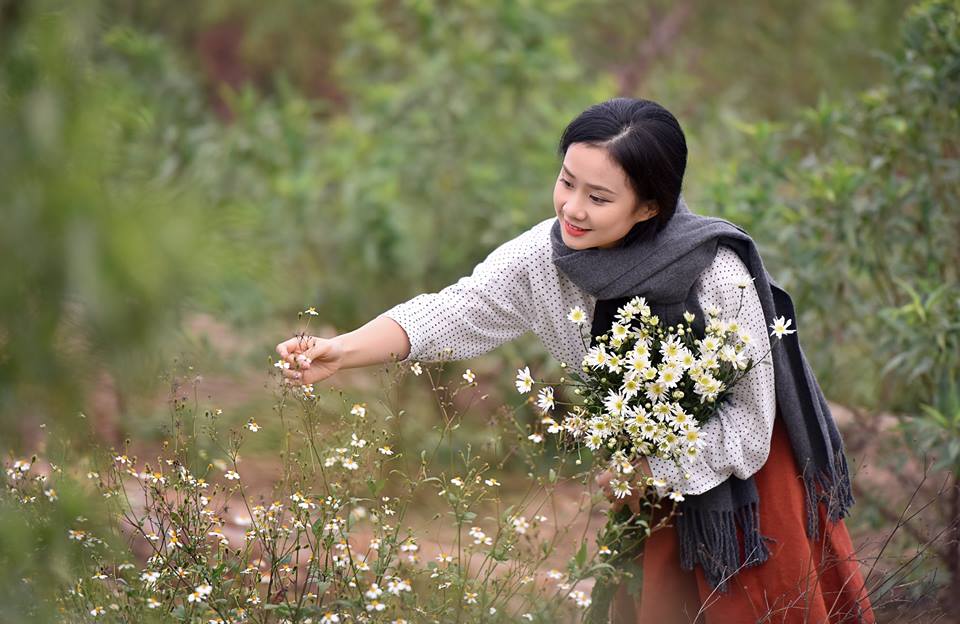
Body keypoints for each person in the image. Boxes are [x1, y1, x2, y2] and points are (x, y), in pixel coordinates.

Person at [275, 97, 875, 623]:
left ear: (649, 207)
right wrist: (342, 351)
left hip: (745, 497)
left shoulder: (716, 273)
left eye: (598, 196)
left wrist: (655, 466)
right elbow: (455, 310)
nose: (572, 209)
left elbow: (751, 422)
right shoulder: (547, 256)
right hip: (648, 486)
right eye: (567, 182)